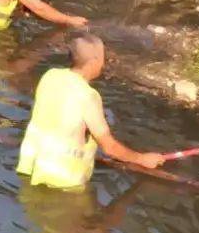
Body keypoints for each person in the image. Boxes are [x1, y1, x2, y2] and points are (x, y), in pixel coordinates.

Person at [17, 32, 165, 189]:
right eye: (102, 58)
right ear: (94, 61)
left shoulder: (50, 76)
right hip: (64, 180)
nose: (103, 63)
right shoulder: (88, 96)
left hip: (31, 168)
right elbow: (109, 147)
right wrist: (142, 159)